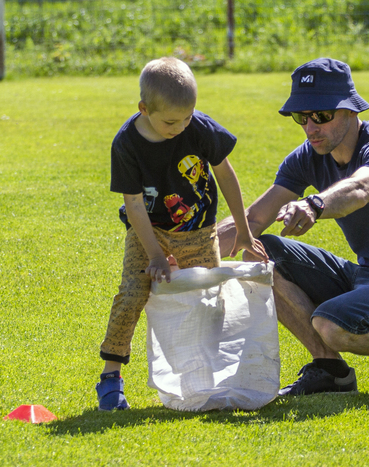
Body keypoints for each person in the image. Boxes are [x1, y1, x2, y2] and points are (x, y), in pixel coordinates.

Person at [217, 58, 369, 401]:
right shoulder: (307, 157)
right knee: (261, 252)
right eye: (302, 118)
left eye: (321, 116)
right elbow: (253, 219)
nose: (310, 128)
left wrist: (314, 204)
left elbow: (362, 188)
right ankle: (331, 370)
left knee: (332, 325)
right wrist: (184, 251)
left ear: (350, 111)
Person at [96, 57, 268, 411]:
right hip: (150, 232)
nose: (181, 127)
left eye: (187, 117)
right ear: (144, 109)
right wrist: (155, 255)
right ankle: (111, 377)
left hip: (200, 231)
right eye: (171, 122)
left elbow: (225, 175)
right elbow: (134, 204)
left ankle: (206, 376)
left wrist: (244, 230)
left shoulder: (199, 127)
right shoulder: (126, 144)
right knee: (131, 294)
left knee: (211, 300)